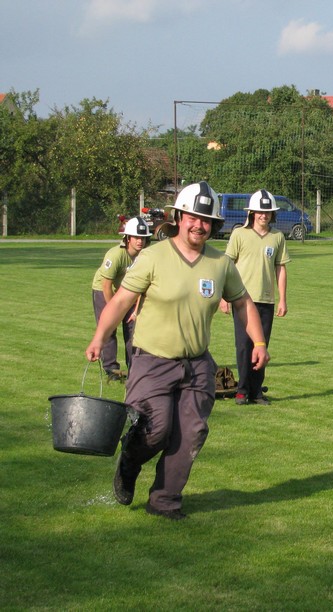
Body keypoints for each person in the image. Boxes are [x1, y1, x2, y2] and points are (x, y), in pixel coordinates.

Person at [85, 181, 269, 520]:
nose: (199, 225)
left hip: (197, 365)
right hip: (151, 361)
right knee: (155, 430)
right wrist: (100, 337)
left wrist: (258, 342)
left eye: (207, 220)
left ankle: (164, 501)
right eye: (193, 217)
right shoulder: (153, 257)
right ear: (179, 217)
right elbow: (122, 300)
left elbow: (242, 303)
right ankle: (129, 461)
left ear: (214, 225)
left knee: (191, 433)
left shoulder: (220, 263)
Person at [220, 189, 290, 405]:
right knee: (243, 346)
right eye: (259, 211)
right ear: (251, 213)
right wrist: (224, 297)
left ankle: (256, 391)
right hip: (241, 301)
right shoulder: (239, 234)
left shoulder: (277, 237)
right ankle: (242, 390)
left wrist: (282, 299)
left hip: (266, 300)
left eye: (267, 212)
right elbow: (227, 265)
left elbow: (281, 268)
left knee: (262, 346)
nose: (263, 215)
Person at [90, 216, 151, 381]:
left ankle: (134, 367)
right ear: (128, 238)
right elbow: (106, 285)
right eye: (137, 237)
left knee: (133, 328)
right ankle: (111, 369)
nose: (140, 241)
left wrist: (136, 311)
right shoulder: (116, 255)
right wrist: (114, 312)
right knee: (109, 328)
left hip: (128, 292)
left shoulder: (146, 257)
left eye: (143, 238)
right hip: (104, 290)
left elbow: (142, 288)